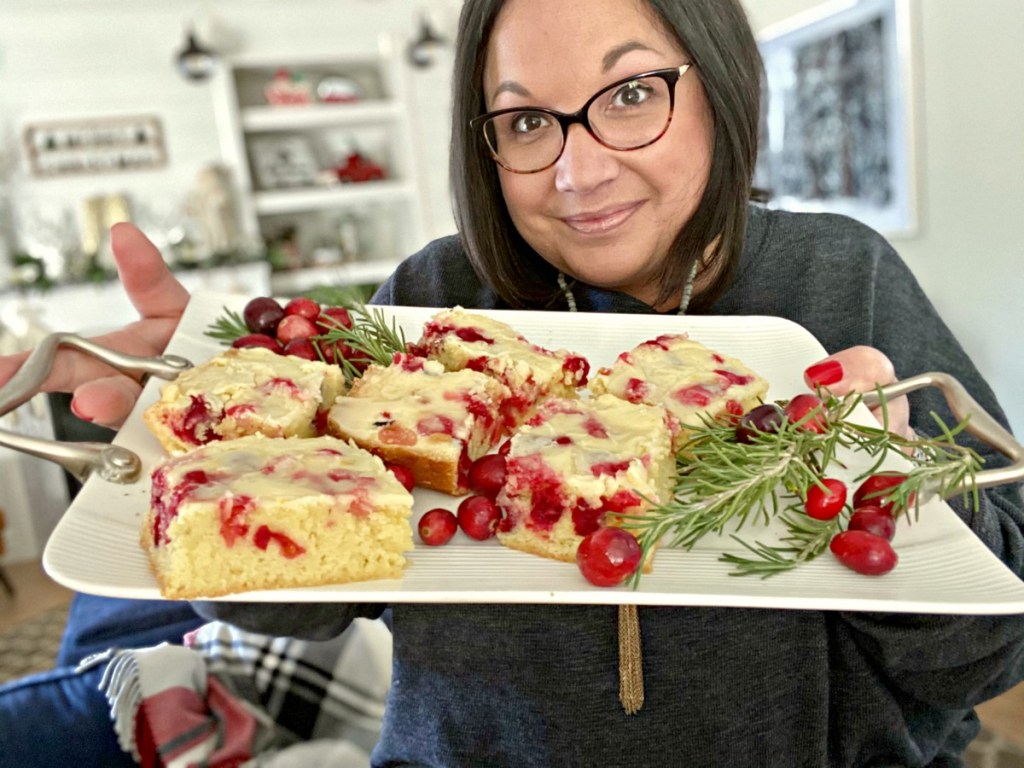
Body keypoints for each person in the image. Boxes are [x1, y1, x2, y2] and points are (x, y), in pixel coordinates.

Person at [0, 0, 1022, 765]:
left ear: (719, 83)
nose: (575, 172)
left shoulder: (840, 279)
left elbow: (990, 654)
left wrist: (900, 497)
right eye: (526, 121)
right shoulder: (427, 303)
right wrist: (217, 439)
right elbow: (307, 605)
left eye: (630, 96)